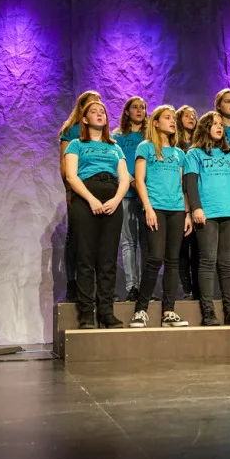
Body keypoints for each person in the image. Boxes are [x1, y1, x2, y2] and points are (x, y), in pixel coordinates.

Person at [62, 99, 131, 329]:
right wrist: (91, 199)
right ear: (84, 119)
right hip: (85, 199)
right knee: (86, 258)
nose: (100, 114)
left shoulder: (115, 147)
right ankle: (86, 314)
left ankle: (106, 312)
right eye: (94, 111)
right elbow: (71, 176)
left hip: (112, 199)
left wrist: (115, 200)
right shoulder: (76, 144)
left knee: (108, 259)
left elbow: (125, 178)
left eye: (102, 111)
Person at [185, 111, 230, 326]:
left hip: (229, 212)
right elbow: (191, 183)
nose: (219, 127)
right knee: (207, 261)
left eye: (221, 124)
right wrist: (196, 208)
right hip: (207, 213)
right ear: (205, 128)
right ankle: (208, 312)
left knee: (228, 263)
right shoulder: (194, 154)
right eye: (214, 124)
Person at [131, 105, 191, 328]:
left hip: (176, 210)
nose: (172, 121)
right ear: (155, 123)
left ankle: (169, 311)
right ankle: (140, 309)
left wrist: (186, 213)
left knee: (173, 261)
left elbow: (183, 186)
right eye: (167, 118)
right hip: (155, 207)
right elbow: (139, 180)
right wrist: (148, 208)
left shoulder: (179, 154)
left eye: (173, 118)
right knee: (155, 258)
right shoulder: (145, 148)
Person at [58, 90, 102, 302]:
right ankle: (72, 283)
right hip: (77, 187)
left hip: (102, 189)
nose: (97, 107)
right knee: (75, 236)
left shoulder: (103, 134)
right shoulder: (71, 131)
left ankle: (93, 286)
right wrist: (68, 189)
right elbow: (64, 164)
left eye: (99, 104)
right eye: (92, 104)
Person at [113, 96, 149, 304]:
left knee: (146, 245)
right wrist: (130, 180)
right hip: (126, 194)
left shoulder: (149, 135)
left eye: (143, 107)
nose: (139, 111)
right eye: (135, 107)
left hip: (146, 196)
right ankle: (132, 287)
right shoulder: (116, 137)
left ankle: (146, 287)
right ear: (127, 111)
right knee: (128, 242)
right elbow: (115, 162)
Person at [175, 104, 200, 298]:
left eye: (194, 115)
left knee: (199, 248)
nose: (191, 118)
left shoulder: (201, 144)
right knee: (183, 248)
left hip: (199, 197)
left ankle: (199, 289)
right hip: (178, 197)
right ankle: (187, 288)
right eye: (187, 115)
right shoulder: (174, 146)